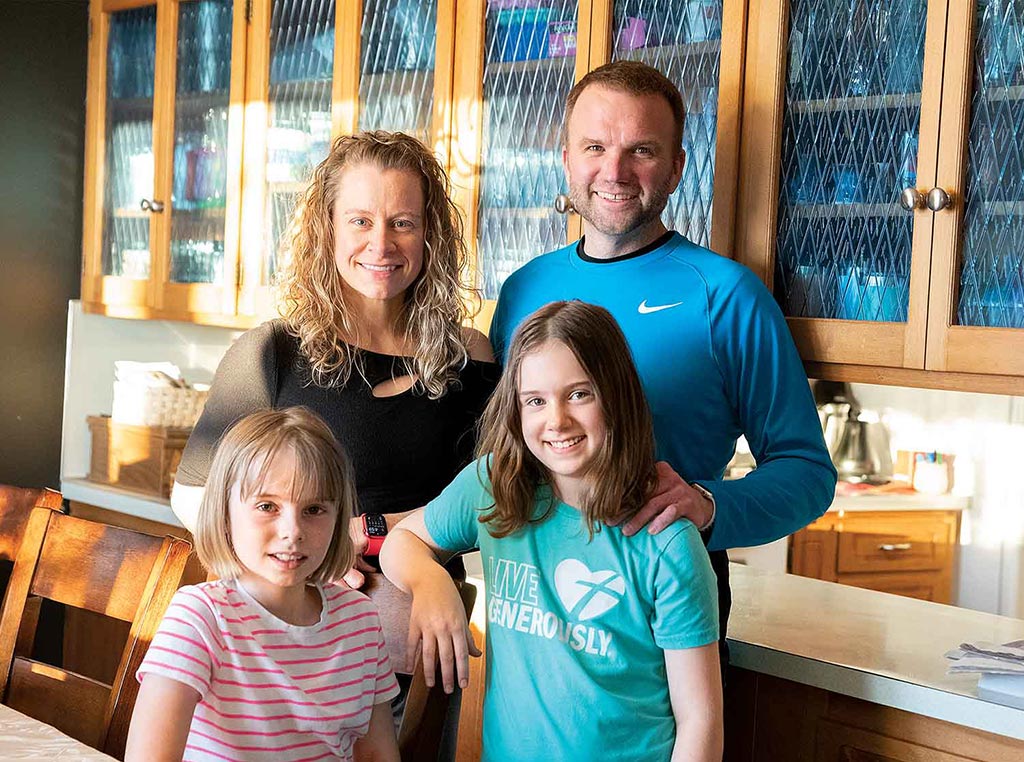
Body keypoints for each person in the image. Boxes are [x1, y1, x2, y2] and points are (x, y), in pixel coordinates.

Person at [489, 61, 837, 666]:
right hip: (534, 607)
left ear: (677, 167)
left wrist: (708, 506)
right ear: (566, 158)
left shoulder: (725, 296)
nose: (614, 171)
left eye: (641, 150)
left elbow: (808, 472)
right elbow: (499, 449)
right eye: (594, 147)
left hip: (668, 606)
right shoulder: (522, 291)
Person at [380, 301, 723, 762]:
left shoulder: (667, 543)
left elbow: (701, 725)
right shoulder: (492, 487)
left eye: (579, 394)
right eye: (535, 401)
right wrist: (430, 581)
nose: (556, 420)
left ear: (617, 396)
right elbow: (404, 542)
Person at [171, 131, 497, 588]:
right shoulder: (273, 353)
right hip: (294, 625)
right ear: (329, 228)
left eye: (402, 222)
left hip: (422, 635)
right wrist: (311, 549)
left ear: (430, 234)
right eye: (360, 221)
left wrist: (369, 533)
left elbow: (496, 495)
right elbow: (193, 496)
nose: (380, 244)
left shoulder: (468, 355)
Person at [126, 407, 400, 762]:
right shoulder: (199, 616)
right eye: (267, 506)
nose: (292, 531)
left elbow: (378, 754)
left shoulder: (360, 620)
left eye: (314, 509)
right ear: (224, 513)